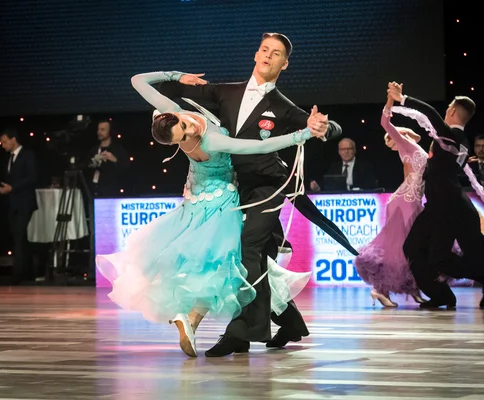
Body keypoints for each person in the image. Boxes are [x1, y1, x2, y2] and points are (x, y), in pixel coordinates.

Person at [158, 33, 359, 357]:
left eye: (276, 53)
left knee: (247, 248)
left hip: (269, 184)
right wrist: (174, 77)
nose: (268, 55)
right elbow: (165, 91)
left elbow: (327, 127)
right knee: (254, 258)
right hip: (235, 185)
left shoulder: (281, 105)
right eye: (265, 49)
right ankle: (290, 323)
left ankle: (240, 333)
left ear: (284, 63)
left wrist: (322, 126)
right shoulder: (227, 92)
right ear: (256, 54)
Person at [95, 70, 319, 357]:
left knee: (230, 264)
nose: (190, 131)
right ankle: (193, 321)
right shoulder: (211, 140)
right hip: (221, 203)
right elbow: (261, 146)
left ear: (172, 115)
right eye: (183, 137)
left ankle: (279, 322)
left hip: (195, 200)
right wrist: (302, 135)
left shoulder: (173, 109)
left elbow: (136, 80)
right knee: (225, 266)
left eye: (185, 127)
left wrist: (177, 77)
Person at [387, 83, 484, 309]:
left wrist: (403, 98)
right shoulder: (455, 141)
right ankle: (441, 295)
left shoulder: (453, 136)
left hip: (447, 206)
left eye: (447, 109)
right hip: (437, 205)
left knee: (438, 258)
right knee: (412, 248)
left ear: (451, 111)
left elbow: (430, 114)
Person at [355, 95, 427, 306]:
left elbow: (418, 138)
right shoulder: (405, 145)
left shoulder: (413, 145)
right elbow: (386, 123)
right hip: (405, 202)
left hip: (412, 200)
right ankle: (380, 289)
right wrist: (389, 101)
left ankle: (413, 288)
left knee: (412, 248)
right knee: (399, 249)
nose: (393, 141)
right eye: (391, 140)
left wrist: (406, 131)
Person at [0, 129, 39, 283]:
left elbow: (32, 177)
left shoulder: (27, 154)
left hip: (25, 202)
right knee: (19, 237)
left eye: (5, 142)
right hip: (13, 202)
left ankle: (18, 273)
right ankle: (28, 272)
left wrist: (13, 188)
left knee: (19, 234)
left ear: (13, 139)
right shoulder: (9, 158)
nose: (3, 145)